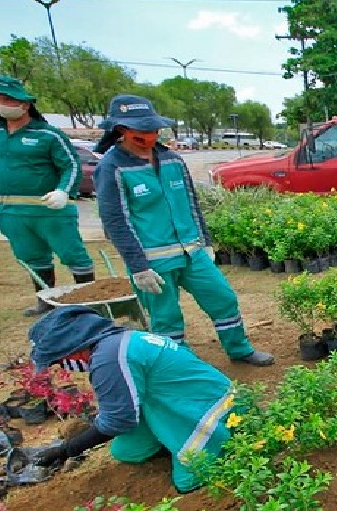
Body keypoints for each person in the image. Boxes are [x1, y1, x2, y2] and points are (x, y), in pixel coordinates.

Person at [93, 94, 273, 367]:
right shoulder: (112, 167)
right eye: (142, 130)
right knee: (166, 318)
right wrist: (137, 265)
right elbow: (114, 219)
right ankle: (179, 366)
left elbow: (191, 203)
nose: (150, 135)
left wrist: (206, 241)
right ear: (122, 130)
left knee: (223, 298)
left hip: (192, 251)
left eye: (153, 129)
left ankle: (239, 349)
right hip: (153, 260)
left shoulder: (172, 161)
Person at [10, 305, 235, 493]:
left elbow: (118, 420)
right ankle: (170, 440)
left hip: (208, 408)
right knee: (126, 451)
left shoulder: (109, 359)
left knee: (189, 481)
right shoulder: (119, 341)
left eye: (59, 361)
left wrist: (67, 449)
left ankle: (211, 441)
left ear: (74, 350)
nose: (62, 367)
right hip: (178, 400)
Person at [0, 76, 94, 316]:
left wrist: (64, 191)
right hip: (13, 210)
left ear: (25, 104)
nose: (2, 104)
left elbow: (71, 165)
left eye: (8, 99)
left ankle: (89, 303)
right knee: (32, 256)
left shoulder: (48, 134)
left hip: (49, 208)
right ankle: (46, 301)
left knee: (73, 254)